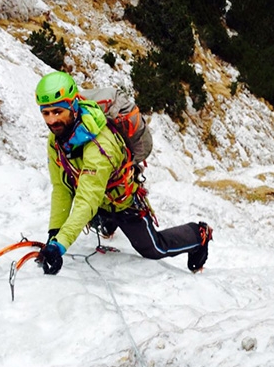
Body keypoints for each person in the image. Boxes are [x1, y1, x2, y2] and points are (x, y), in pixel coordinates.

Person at [34, 71, 212, 275]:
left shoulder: (99, 146)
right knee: (96, 213)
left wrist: (60, 245)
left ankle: (198, 235)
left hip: (122, 200)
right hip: (99, 197)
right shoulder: (56, 138)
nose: (51, 120)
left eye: (58, 111)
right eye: (46, 113)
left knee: (154, 249)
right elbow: (62, 188)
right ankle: (107, 223)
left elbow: (86, 200)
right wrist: (54, 234)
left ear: (74, 106)